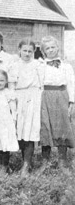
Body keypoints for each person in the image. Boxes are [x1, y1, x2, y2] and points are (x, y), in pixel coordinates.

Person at [39, 36, 75, 169]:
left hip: (61, 96)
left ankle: (62, 160)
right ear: (43, 51)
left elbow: (71, 84)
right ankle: (45, 161)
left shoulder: (66, 66)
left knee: (62, 127)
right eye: (47, 48)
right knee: (45, 126)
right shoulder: (41, 66)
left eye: (53, 47)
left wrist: (72, 101)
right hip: (46, 96)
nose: (51, 50)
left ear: (58, 48)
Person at [8, 39, 43, 176]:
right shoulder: (14, 66)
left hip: (34, 99)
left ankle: (26, 165)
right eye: (24, 51)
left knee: (29, 132)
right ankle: (23, 161)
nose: (27, 54)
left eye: (30, 51)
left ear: (34, 52)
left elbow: (41, 85)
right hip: (19, 98)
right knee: (20, 132)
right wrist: (13, 105)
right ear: (19, 50)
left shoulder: (38, 65)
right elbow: (11, 87)